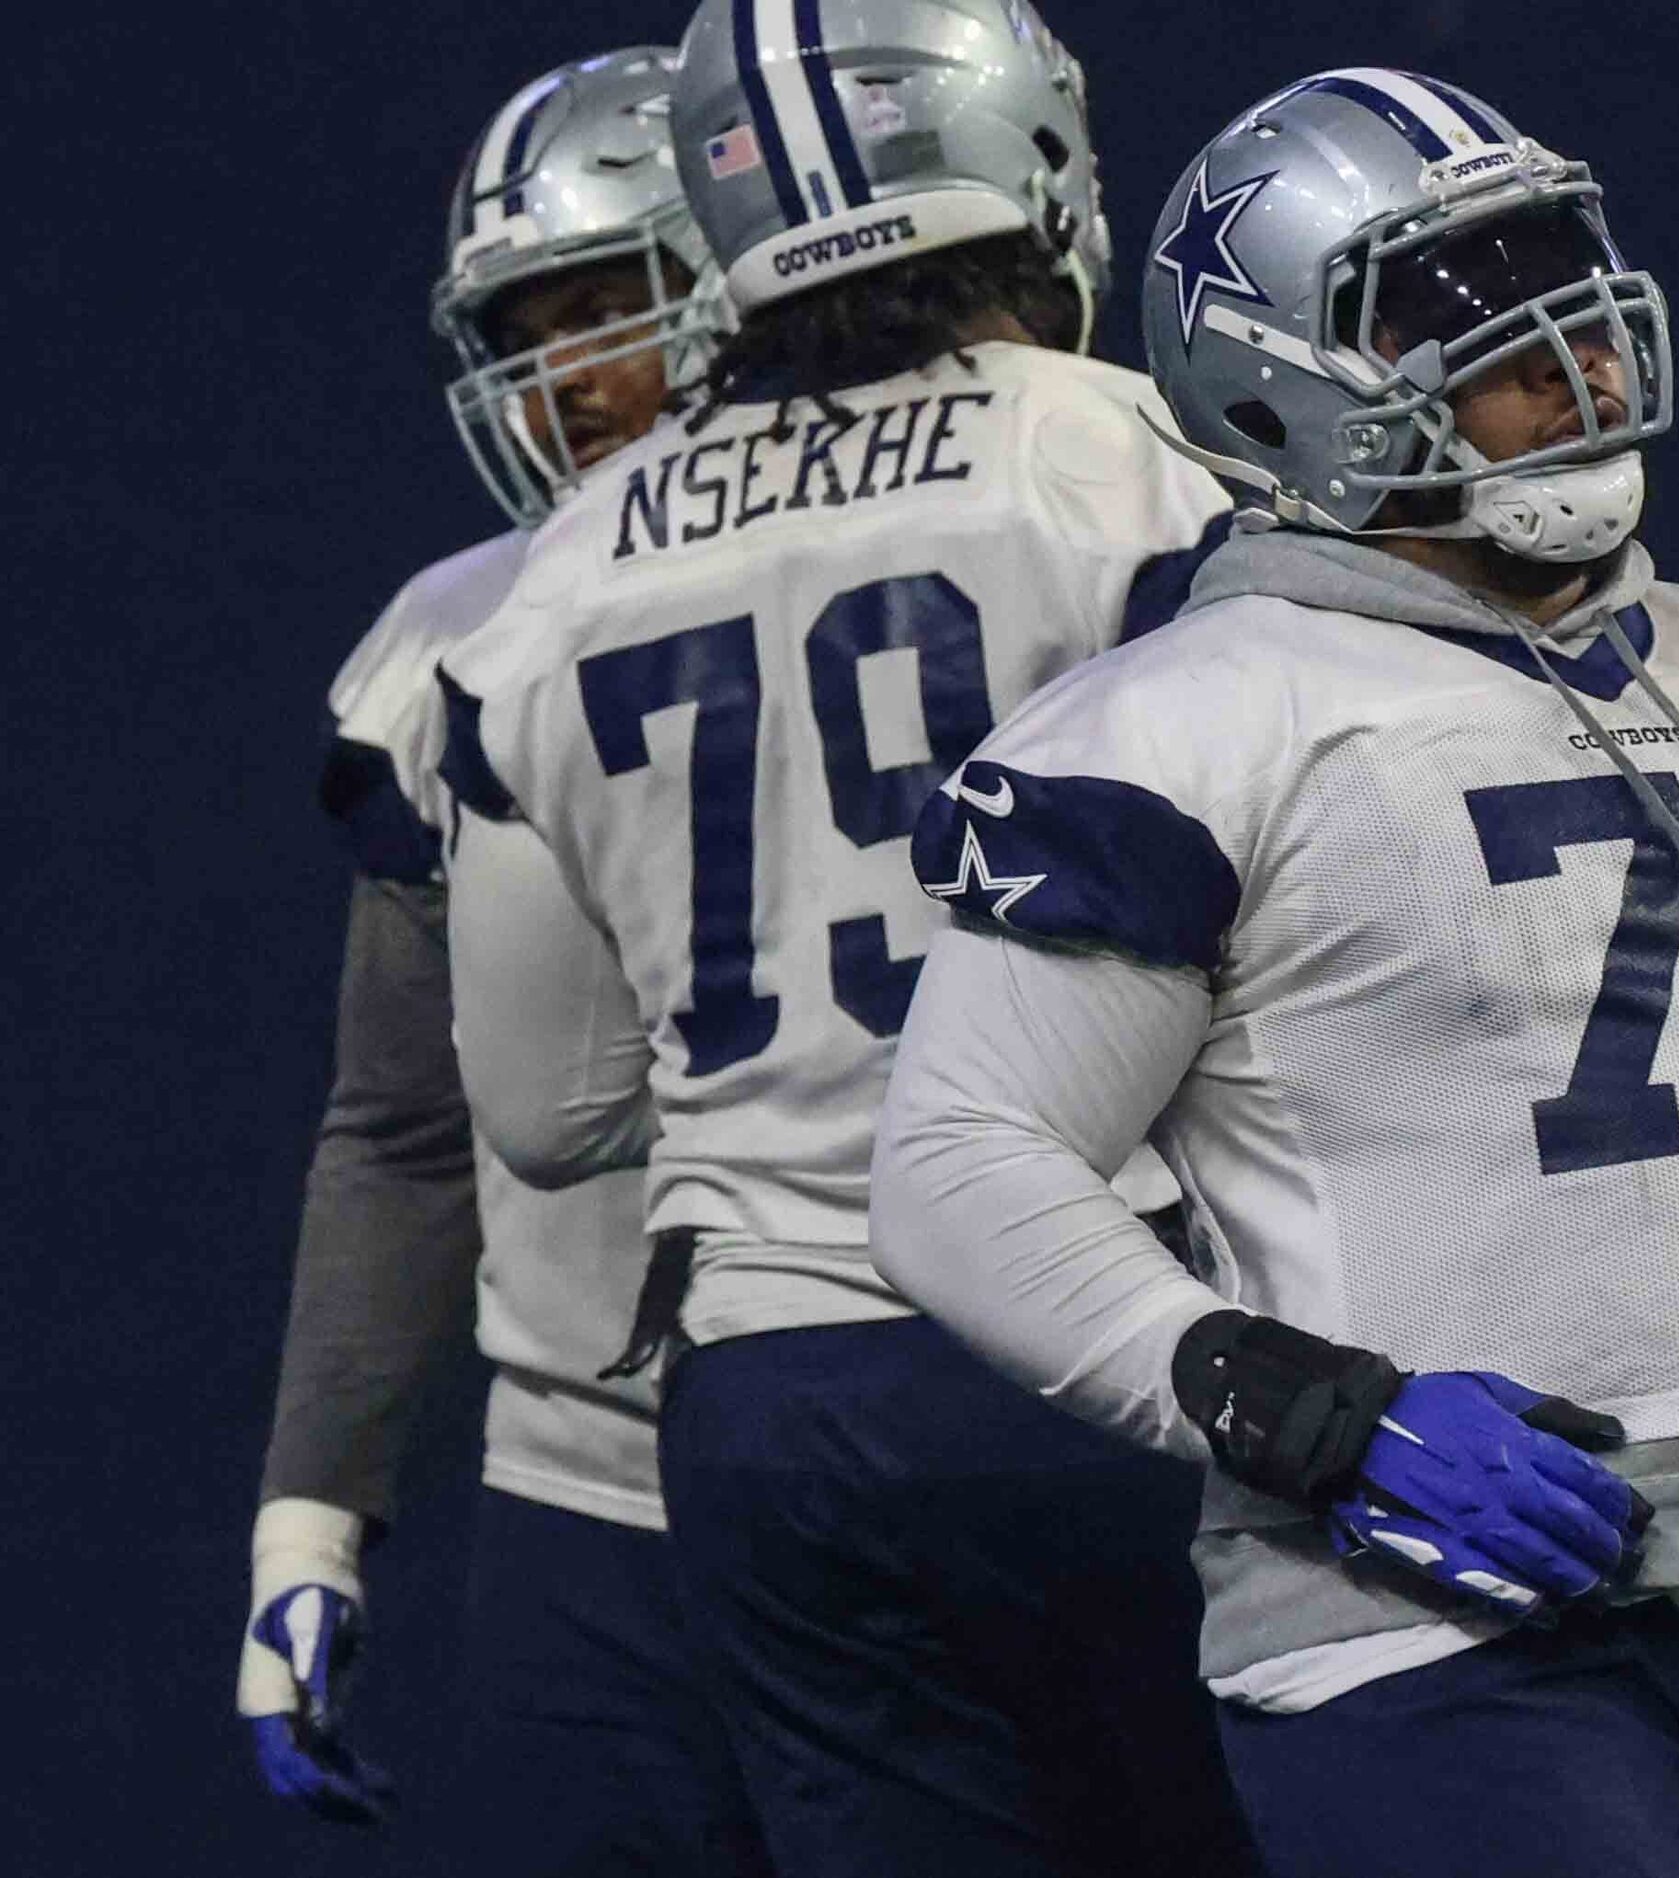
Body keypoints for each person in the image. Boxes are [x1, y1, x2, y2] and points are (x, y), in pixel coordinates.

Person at [872, 68, 1679, 1877]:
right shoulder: (1192, 723)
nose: (1570, 354)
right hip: (1437, 1630)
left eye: (1565, 288)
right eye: (1461, 309)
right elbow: (956, 1172)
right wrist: (1314, 1416)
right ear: (1273, 375)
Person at [435, 4, 1248, 1872]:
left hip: (779, 1396)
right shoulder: (1136, 467)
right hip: (1129, 1324)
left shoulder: (560, 575)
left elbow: (544, 1112)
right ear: (1032, 156)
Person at [238, 47, 772, 1875]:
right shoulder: (445, 645)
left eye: (610, 308)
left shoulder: (968, 556)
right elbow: (399, 1129)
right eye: (528, 331)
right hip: (590, 1498)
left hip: (962, 1420)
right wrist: (307, 1523)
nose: (574, 382)